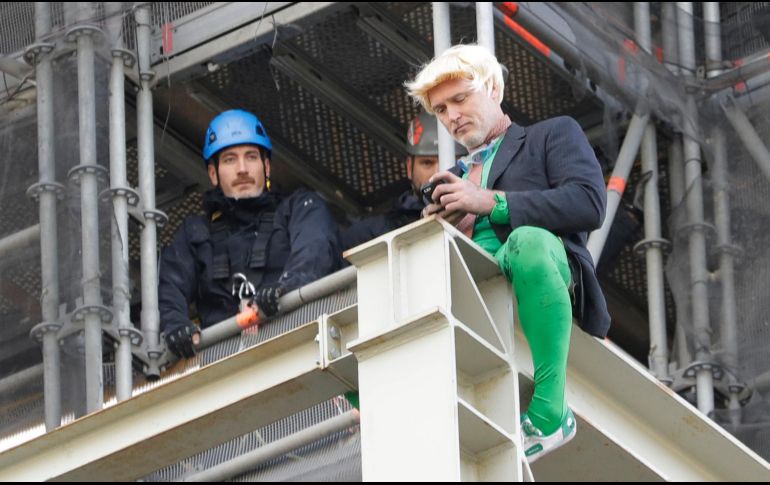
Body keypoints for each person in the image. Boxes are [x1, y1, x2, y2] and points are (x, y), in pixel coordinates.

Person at [405, 44, 610, 463]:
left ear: (494, 89)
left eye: (460, 99)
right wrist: (438, 231)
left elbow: (589, 203)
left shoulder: (551, 134)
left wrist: (491, 203)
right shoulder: (451, 180)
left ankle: (550, 413)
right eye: (441, 109)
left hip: (540, 275)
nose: (452, 116)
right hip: (473, 293)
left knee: (527, 241)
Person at [159, 109, 342, 358]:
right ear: (213, 173)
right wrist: (175, 324)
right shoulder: (195, 234)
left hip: (299, 343)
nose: (242, 169)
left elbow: (315, 249)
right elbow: (170, 286)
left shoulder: (300, 208)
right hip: (225, 362)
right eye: (229, 160)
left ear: (266, 166)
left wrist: (285, 288)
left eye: (251, 157)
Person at [341, 111, 465, 250]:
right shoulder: (370, 233)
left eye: (451, 161)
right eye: (427, 163)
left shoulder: (480, 215)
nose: (437, 173)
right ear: (409, 167)